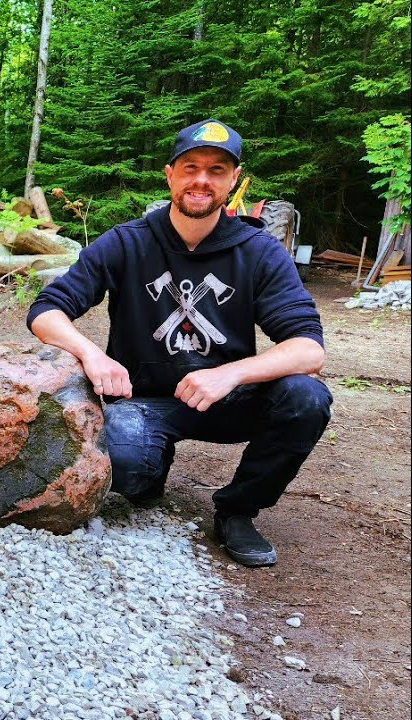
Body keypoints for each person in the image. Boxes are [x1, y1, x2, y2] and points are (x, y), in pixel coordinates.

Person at [27, 119, 332, 567]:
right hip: (144, 397)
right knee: (128, 472)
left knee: (306, 397)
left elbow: (309, 348)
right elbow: (46, 310)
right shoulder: (127, 242)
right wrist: (92, 354)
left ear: (233, 180)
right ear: (170, 175)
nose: (201, 180)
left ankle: (238, 511)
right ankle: (149, 473)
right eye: (190, 167)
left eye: (216, 170)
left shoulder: (259, 251)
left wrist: (229, 374)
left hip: (227, 400)